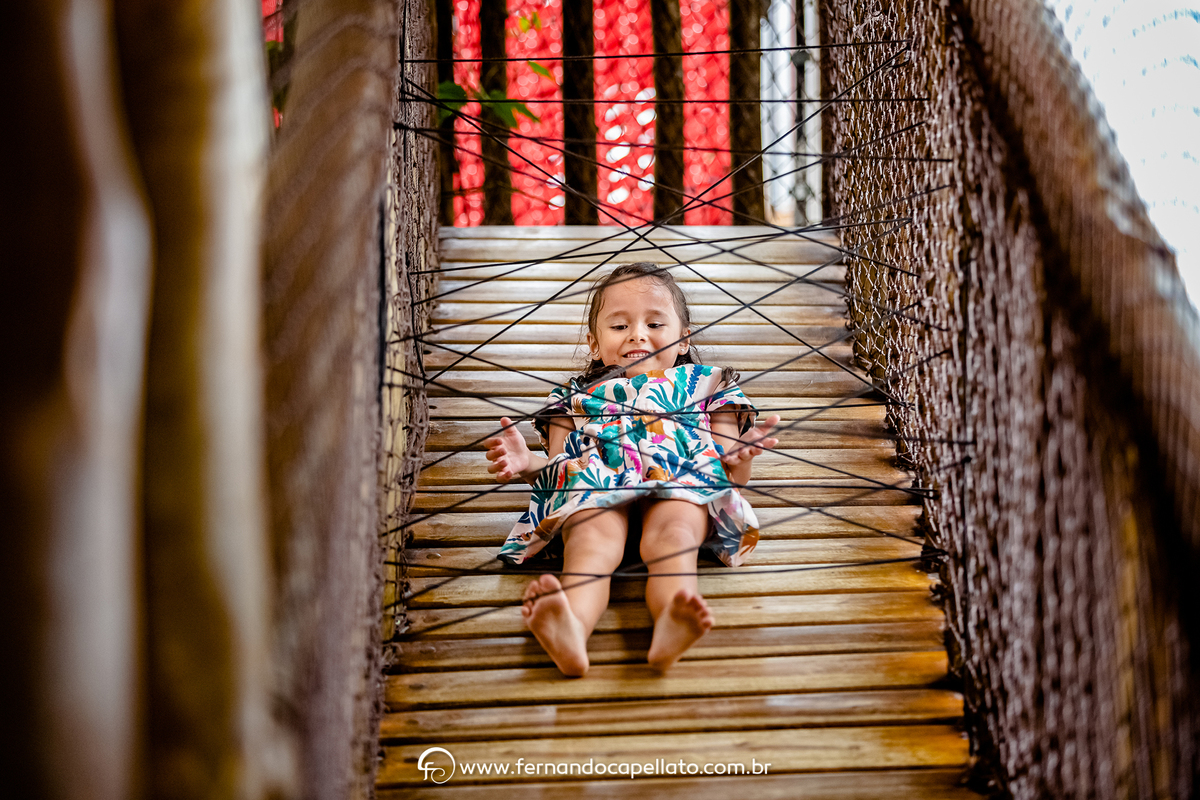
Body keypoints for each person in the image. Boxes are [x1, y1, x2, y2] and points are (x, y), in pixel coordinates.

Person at [483, 262, 779, 676]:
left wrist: (741, 457)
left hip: (680, 477)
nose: (638, 334)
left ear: (683, 338)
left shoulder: (710, 384)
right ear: (594, 343)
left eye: (655, 323)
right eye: (619, 326)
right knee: (590, 541)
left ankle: (671, 620)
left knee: (673, 537)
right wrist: (526, 464)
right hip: (596, 481)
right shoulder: (573, 398)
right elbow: (558, 469)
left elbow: (730, 476)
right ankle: (572, 626)